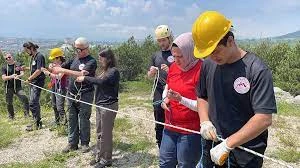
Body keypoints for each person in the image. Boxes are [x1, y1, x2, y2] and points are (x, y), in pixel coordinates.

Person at [192, 11, 277, 167]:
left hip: (245, 154)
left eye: (216, 51)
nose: (212, 57)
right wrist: (204, 121)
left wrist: (228, 144)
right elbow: (202, 96)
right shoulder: (208, 65)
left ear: (230, 41)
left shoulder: (256, 70)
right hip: (212, 145)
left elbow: (264, 118)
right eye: (208, 54)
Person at [159, 32, 202, 168]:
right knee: (165, 162)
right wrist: (164, 99)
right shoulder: (173, 68)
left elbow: (203, 106)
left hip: (190, 130)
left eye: (180, 56)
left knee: (185, 165)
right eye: (174, 56)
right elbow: (167, 87)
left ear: (190, 52)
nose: (177, 60)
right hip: (170, 125)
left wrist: (180, 99)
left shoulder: (202, 70)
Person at [52, 37, 97, 153]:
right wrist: (54, 67)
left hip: (85, 94)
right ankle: (72, 143)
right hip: (71, 93)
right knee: (72, 118)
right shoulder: (74, 59)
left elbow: (81, 74)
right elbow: (61, 67)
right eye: (76, 49)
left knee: (84, 119)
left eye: (79, 49)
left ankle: (85, 143)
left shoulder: (91, 61)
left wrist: (62, 71)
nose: (77, 51)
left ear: (86, 49)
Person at [76, 48, 120, 168]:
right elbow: (96, 79)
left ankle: (106, 159)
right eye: (99, 57)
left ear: (108, 58)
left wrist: (85, 78)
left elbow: (101, 82)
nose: (99, 59)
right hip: (101, 105)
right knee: (100, 132)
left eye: (102, 57)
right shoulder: (104, 71)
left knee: (106, 134)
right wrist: (87, 75)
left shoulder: (113, 71)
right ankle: (100, 156)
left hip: (108, 106)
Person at [148, 25, 174, 148]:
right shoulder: (155, 55)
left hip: (172, 88)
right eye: (159, 40)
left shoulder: (175, 52)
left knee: (172, 114)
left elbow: (182, 71)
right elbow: (148, 75)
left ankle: (172, 142)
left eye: (163, 40)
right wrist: (151, 72)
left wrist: (170, 71)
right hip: (158, 89)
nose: (161, 43)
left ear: (169, 38)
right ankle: (160, 143)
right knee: (158, 114)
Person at [23, 42, 46, 131]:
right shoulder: (34, 57)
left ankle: (36, 123)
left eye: (26, 50)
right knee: (34, 102)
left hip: (37, 82)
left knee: (33, 102)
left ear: (31, 48)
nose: (26, 52)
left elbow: (39, 70)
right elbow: (34, 68)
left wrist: (29, 79)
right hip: (34, 82)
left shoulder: (39, 56)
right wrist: (25, 68)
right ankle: (37, 122)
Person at [41, 48, 67, 125]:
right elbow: (53, 74)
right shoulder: (55, 65)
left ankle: (65, 123)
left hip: (61, 88)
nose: (52, 61)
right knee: (54, 105)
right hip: (54, 86)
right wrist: (48, 69)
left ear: (58, 58)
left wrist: (47, 73)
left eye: (53, 59)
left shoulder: (63, 66)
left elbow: (59, 77)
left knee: (60, 107)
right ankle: (57, 122)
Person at [1, 53, 29, 119]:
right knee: (9, 103)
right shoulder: (4, 67)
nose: (8, 59)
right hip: (8, 87)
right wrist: (11, 76)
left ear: (12, 57)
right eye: (6, 58)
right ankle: (11, 116)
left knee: (25, 99)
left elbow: (22, 73)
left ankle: (27, 114)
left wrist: (18, 76)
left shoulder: (18, 65)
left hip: (18, 87)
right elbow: (3, 78)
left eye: (9, 57)